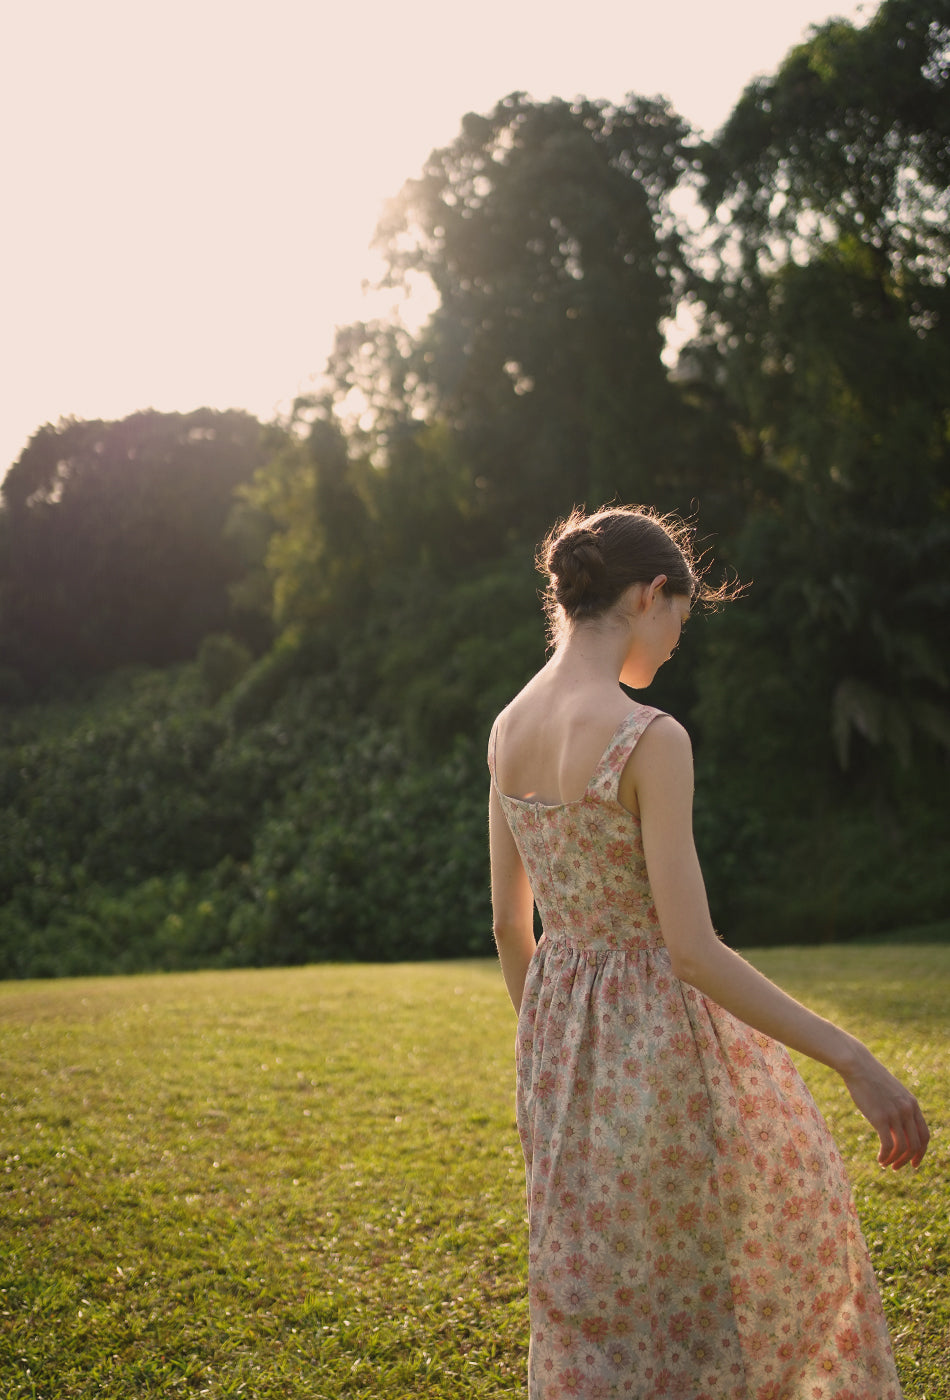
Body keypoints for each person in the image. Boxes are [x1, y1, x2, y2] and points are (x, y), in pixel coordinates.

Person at [487, 505, 928, 1400]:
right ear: (652, 594)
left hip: (557, 1051)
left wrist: (553, 1049)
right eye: (680, 618)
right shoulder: (648, 737)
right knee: (735, 1278)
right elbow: (690, 951)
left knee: (596, 1301)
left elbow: (508, 926)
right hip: (669, 1048)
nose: (677, 641)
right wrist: (855, 1058)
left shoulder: (506, 729)